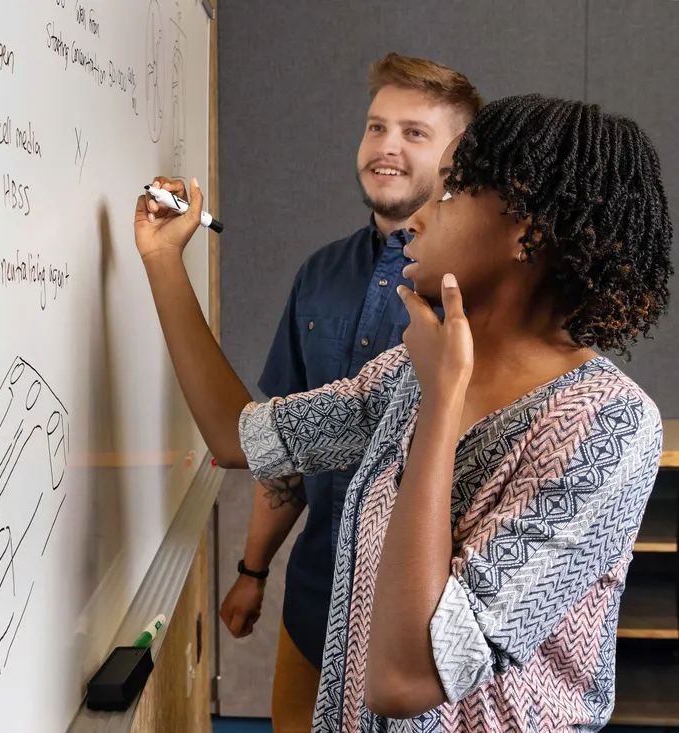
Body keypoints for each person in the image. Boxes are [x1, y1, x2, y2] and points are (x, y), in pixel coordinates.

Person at [135, 93, 672, 730]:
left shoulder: (607, 423)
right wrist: (162, 259)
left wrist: (442, 406)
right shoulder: (410, 372)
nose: (416, 219)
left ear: (525, 230)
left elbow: (406, 679)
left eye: (448, 194)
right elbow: (237, 438)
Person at [216, 52, 481, 730]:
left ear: (462, 159)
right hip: (312, 606)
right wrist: (254, 569)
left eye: (415, 133)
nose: (386, 147)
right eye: (375, 127)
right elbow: (284, 448)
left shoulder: (475, 294)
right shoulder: (320, 274)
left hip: (418, 640)